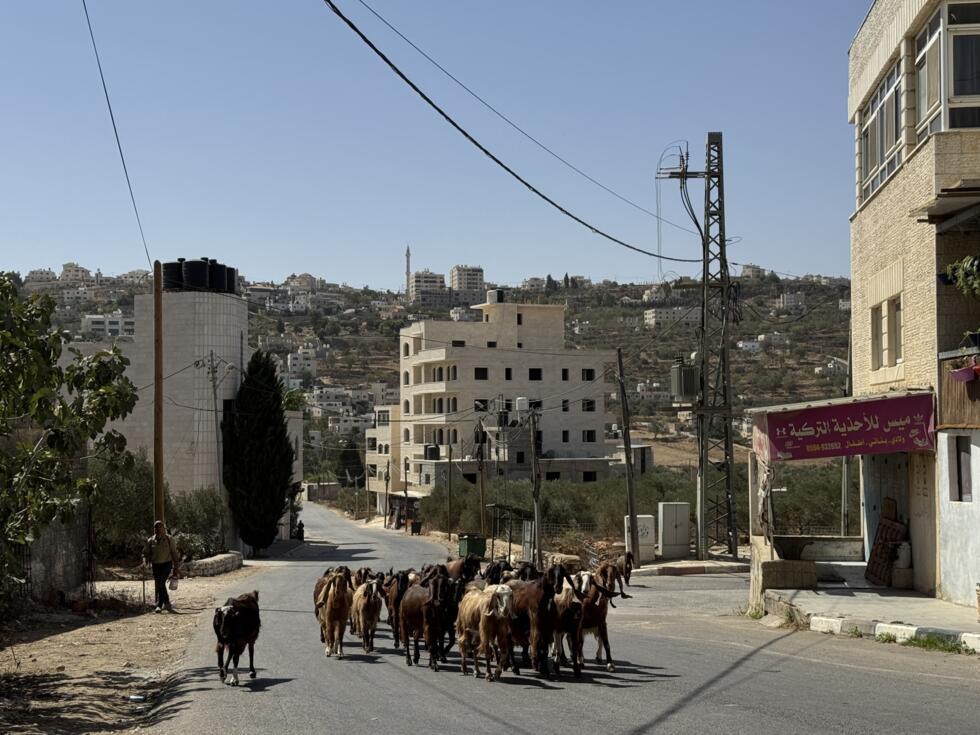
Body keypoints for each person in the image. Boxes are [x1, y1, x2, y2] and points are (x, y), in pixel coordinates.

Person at [143, 520, 181, 613]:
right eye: (156, 527)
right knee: (160, 584)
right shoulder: (151, 540)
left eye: (160, 527)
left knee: (160, 582)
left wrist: (176, 567)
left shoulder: (169, 539)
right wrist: (145, 561)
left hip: (166, 564)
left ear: (163, 528)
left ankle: (160, 605)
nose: (158, 529)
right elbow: (145, 553)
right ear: (154, 529)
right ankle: (166, 603)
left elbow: (174, 553)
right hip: (156, 565)